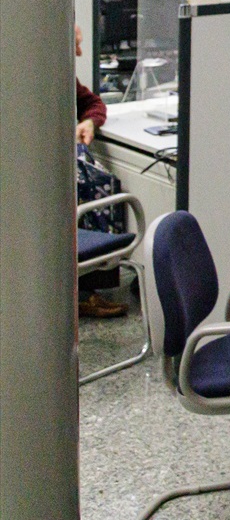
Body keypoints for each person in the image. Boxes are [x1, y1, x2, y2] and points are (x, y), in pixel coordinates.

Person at [75, 23, 122, 318]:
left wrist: (90, 122)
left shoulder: (63, 76)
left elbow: (93, 102)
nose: (80, 51)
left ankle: (90, 289)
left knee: (102, 185)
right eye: (75, 44)